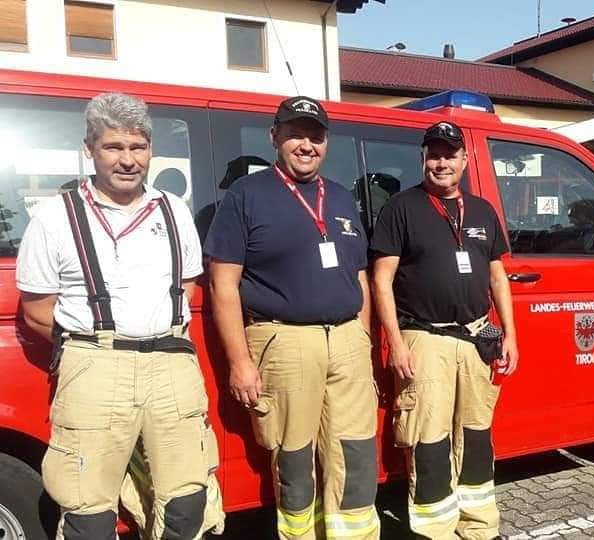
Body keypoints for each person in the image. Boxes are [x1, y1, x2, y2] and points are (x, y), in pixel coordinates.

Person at [16, 92, 215, 539]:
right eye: (113, 147)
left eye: (138, 147)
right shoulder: (54, 217)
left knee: (188, 499)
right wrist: (97, 347)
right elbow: (36, 311)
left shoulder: (174, 210)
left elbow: (186, 287)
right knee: (88, 508)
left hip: (170, 362)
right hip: (95, 364)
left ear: (150, 150)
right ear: (89, 150)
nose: (128, 160)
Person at [204, 96, 379, 539]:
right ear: (275, 137)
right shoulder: (247, 194)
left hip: (346, 341)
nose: (307, 144)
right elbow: (223, 285)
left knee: (356, 455)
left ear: (327, 142)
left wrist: (361, 338)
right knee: (295, 460)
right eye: (296, 133)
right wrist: (241, 362)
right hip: (284, 342)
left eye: (316, 135)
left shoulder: (339, 196)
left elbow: (358, 274)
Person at [371, 120, 519, 539]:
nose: (441, 162)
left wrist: (509, 333)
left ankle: (478, 528)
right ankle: (434, 531)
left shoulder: (483, 210)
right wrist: (396, 344)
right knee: (430, 440)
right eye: (433, 154)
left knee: (476, 436)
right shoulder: (401, 208)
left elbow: (497, 277)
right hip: (426, 338)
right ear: (423, 158)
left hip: (476, 336)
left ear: (464, 159)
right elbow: (381, 280)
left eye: (449, 154)